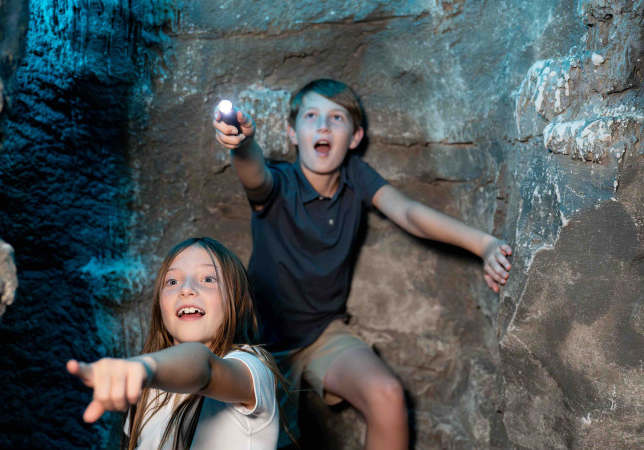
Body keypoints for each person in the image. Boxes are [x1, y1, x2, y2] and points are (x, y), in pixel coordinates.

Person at [212, 79, 513, 449]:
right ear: (293, 132)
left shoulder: (356, 177)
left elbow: (410, 213)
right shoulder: (281, 183)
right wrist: (242, 144)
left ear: (355, 137)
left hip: (323, 334)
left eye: (336, 117)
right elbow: (254, 175)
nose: (323, 126)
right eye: (311, 116)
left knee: (387, 395)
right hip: (261, 344)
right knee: (265, 438)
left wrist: (484, 245)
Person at [67, 237, 286, 450]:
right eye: (172, 281)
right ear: (160, 306)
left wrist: (144, 367)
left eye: (208, 279)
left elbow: (205, 367)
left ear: (238, 302)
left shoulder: (253, 368)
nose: (186, 289)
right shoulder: (147, 391)